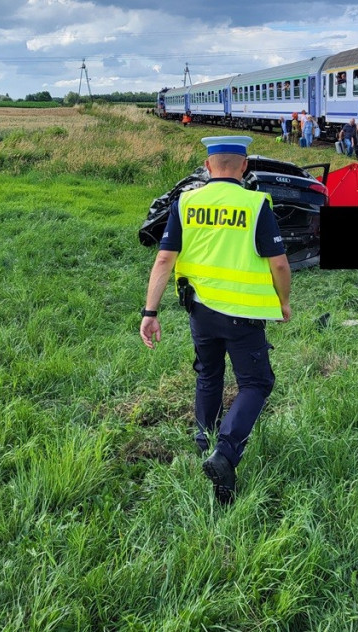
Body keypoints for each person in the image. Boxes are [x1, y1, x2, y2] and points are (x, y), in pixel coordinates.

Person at [139, 135, 292, 506]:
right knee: (256, 382)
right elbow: (279, 264)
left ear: (208, 167)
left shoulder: (185, 202)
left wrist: (150, 312)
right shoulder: (256, 204)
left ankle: (203, 438)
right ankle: (224, 454)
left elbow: (163, 260)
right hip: (243, 315)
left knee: (208, 373)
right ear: (244, 167)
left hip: (201, 311)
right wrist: (284, 303)